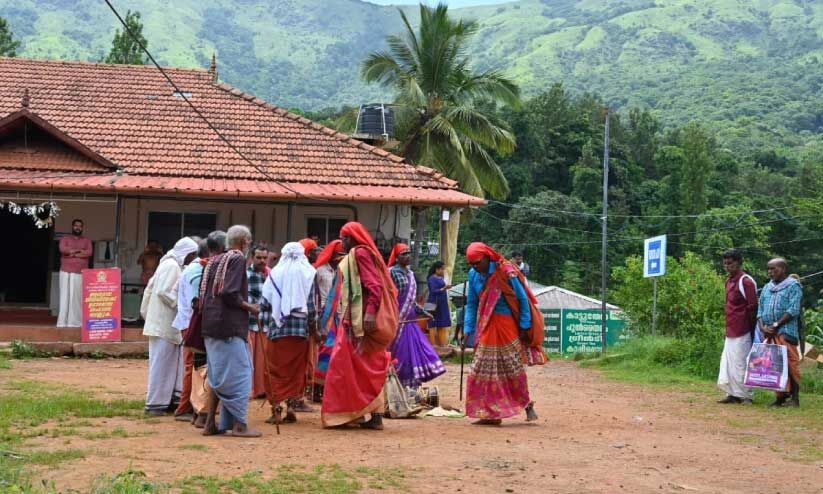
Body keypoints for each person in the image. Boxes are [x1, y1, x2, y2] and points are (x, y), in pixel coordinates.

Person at [321, 222, 398, 430]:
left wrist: (370, 314)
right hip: (356, 321)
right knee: (366, 368)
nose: (342, 242)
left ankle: (348, 415)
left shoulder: (360, 253)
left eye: (344, 238)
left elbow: (374, 286)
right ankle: (370, 416)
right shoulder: (362, 253)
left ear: (353, 238)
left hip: (360, 324)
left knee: (344, 367)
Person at [463, 242, 541, 425]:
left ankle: (527, 405)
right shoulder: (473, 275)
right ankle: (489, 413)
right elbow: (472, 303)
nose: (475, 267)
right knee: (481, 369)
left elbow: (522, 299)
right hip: (486, 326)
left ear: (487, 258)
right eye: (472, 264)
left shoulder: (506, 271)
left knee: (511, 368)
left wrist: (524, 325)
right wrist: (468, 329)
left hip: (507, 327)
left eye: (478, 263)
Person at [199, 225, 261, 437]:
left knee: (217, 375)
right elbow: (229, 293)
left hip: (211, 325)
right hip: (228, 327)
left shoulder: (215, 260)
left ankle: (210, 424)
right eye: (249, 243)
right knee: (241, 374)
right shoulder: (236, 259)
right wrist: (250, 307)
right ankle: (239, 426)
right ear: (244, 242)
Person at [260, 242, 318, 424]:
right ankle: (292, 407)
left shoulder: (275, 274)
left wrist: (263, 322)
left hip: (278, 331)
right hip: (300, 333)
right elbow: (311, 306)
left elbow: (265, 303)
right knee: (296, 371)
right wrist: (313, 328)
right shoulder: (309, 273)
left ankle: (276, 409)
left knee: (274, 371)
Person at [141, 236, 198, 416]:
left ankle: (171, 400)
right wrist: (182, 304)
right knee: (161, 365)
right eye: (192, 254)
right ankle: (155, 403)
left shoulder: (173, 265)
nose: (193, 258)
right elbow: (163, 291)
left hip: (168, 324)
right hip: (162, 323)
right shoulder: (171, 266)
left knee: (171, 364)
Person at [388, 244, 445, 389]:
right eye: (403, 253)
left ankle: (412, 387)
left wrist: (425, 313)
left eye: (408, 253)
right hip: (397, 319)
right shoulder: (391, 273)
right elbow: (388, 297)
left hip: (410, 321)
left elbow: (411, 301)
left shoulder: (411, 274)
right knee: (398, 355)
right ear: (396, 257)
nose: (407, 256)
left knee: (414, 353)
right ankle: (396, 386)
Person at [758, 258, 803, 407]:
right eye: (769, 269)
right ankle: (780, 397)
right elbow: (760, 310)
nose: (770, 272)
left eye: (774, 269)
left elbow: (793, 309)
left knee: (790, 364)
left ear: (783, 269)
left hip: (785, 331)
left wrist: (776, 325)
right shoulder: (766, 287)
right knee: (773, 365)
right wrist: (763, 326)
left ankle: (794, 398)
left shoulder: (793, 286)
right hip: (769, 332)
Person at [172, 237, 207, 421]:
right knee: (193, 367)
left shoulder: (190, 269)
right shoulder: (196, 270)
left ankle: (188, 406)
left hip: (186, 322)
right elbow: (197, 303)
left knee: (192, 367)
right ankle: (186, 407)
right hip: (191, 324)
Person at [717, 249, 758, 405]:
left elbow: (753, 307)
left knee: (742, 362)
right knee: (729, 362)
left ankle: (747, 396)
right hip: (730, 329)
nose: (727, 266)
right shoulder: (728, 281)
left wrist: (752, 330)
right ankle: (732, 394)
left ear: (739, 262)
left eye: (731, 263)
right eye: (725, 263)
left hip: (744, 329)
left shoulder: (746, 281)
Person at [312, 239, 346, 402]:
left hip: (338, 315)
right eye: (338, 255)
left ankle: (327, 388)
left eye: (343, 255)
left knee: (334, 353)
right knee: (323, 351)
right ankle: (316, 388)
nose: (340, 257)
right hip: (323, 316)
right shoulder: (319, 271)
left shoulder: (341, 272)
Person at [57, 219, 92, 328]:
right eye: (76, 226)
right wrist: (80, 252)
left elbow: (89, 252)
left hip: (79, 272)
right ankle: (62, 322)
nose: (78, 227)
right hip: (65, 271)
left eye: (80, 226)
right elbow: (63, 249)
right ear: (72, 227)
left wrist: (72, 253)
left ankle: (75, 322)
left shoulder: (87, 240)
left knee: (76, 297)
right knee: (64, 297)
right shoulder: (65, 238)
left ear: (82, 228)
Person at [246, 244, 271, 399]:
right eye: (259, 258)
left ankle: (260, 390)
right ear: (251, 258)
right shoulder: (245, 275)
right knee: (248, 359)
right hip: (249, 322)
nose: (262, 261)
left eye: (264, 258)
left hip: (266, 323)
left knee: (262, 360)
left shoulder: (270, 275)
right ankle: (248, 390)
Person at [426, 260, 453, 350]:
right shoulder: (431, 278)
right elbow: (433, 291)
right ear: (436, 269)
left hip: (442, 302)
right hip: (434, 302)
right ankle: (433, 344)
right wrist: (444, 288)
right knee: (432, 322)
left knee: (442, 323)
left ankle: (442, 344)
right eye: (441, 269)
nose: (443, 271)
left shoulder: (440, 278)